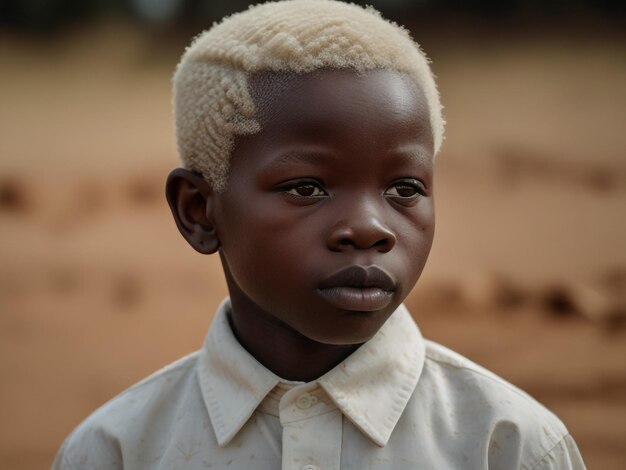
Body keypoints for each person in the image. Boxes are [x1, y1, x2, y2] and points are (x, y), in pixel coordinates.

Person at [52, 1, 586, 468]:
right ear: (199, 211)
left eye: (404, 187)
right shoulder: (115, 452)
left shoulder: (511, 446)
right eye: (307, 188)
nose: (370, 228)